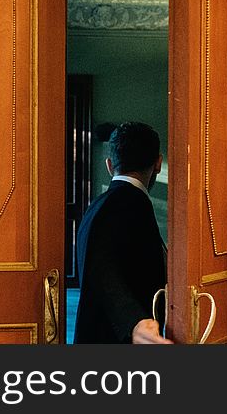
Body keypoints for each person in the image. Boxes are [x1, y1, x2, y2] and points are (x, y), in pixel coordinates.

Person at [74, 121, 172, 344]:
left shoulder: (100, 204)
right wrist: (134, 322)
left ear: (109, 165)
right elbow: (102, 266)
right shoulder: (129, 202)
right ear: (158, 163)